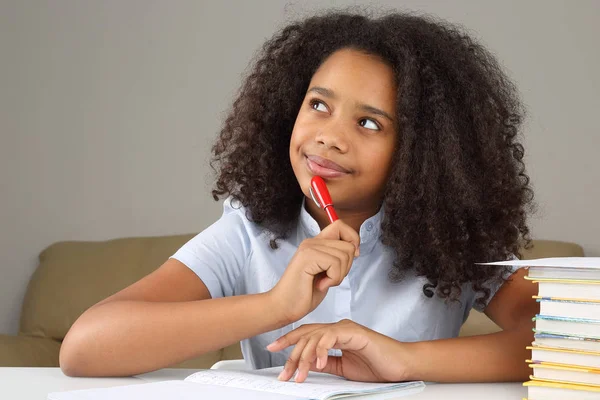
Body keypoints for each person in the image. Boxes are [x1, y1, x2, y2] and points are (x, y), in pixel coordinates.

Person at [59, 9, 538, 383]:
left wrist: (404, 360)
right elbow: (85, 347)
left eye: (369, 123)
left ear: (424, 152)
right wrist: (276, 305)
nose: (328, 137)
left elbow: (574, 344)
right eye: (318, 105)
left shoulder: (454, 237)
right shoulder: (249, 230)